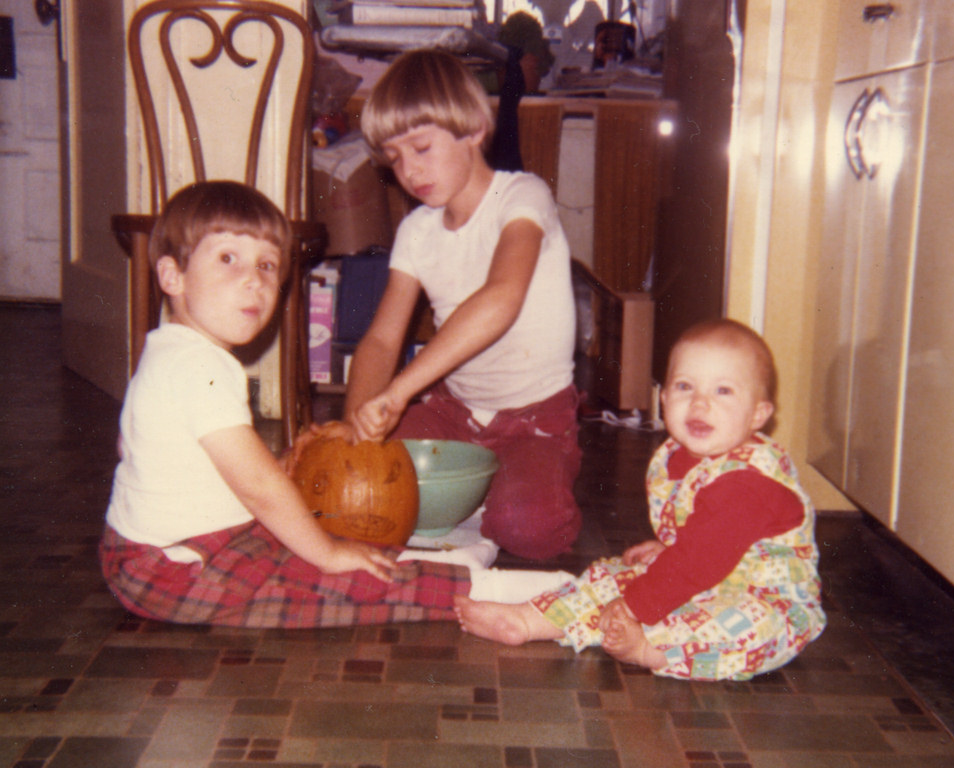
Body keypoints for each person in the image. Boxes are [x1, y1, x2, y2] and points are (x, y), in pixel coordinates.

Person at [99, 181, 568, 628]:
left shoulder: (167, 349)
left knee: (316, 530)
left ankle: (443, 563)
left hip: (168, 550)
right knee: (351, 582)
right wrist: (326, 553)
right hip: (177, 571)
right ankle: (521, 591)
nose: (254, 282)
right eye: (228, 259)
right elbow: (259, 487)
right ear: (171, 275)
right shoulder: (196, 367)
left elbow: (130, 444)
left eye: (267, 266)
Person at [299, 49, 581, 561]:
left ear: (473, 127)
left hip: (536, 419)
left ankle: (519, 485)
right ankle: (476, 494)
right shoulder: (416, 231)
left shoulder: (523, 198)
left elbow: (501, 300)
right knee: (363, 486)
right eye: (395, 157)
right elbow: (384, 339)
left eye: (421, 148)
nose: (409, 170)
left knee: (528, 530)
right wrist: (358, 420)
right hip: (454, 414)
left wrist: (400, 392)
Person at [454, 319, 827, 681]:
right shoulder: (681, 454)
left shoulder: (746, 483)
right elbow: (699, 541)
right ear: (663, 398)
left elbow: (697, 563)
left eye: (723, 391)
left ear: (758, 414)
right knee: (614, 577)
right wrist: (666, 549)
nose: (699, 404)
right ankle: (529, 620)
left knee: (744, 628)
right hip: (705, 576)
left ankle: (650, 650)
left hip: (761, 597)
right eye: (684, 387)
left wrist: (635, 606)